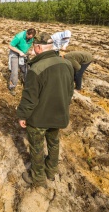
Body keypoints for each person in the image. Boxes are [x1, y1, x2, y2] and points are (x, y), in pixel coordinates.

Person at [16, 32, 74, 188]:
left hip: (39, 119)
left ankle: (38, 178)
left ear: (39, 48)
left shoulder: (36, 68)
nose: (32, 50)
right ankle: (51, 170)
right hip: (58, 115)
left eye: (33, 47)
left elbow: (30, 98)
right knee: (54, 143)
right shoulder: (67, 63)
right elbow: (70, 91)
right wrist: (63, 106)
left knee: (36, 148)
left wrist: (22, 115)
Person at [8, 28, 36, 95]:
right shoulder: (19, 36)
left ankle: (26, 83)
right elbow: (10, 46)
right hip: (15, 53)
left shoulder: (33, 38)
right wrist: (19, 52)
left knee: (26, 69)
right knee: (14, 72)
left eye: (31, 38)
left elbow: (36, 42)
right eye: (28, 37)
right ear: (26, 33)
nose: (29, 38)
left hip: (23, 53)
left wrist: (33, 50)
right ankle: (12, 87)